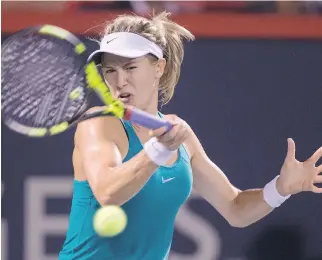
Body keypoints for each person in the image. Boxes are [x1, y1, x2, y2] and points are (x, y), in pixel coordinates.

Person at [58, 11, 322, 260]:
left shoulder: (179, 134)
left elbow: (235, 207)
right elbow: (108, 192)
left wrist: (279, 189)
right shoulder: (99, 123)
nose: (119, 81)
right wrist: (157, 151)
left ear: (159, 67)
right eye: (110, 71)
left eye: (130, 67)